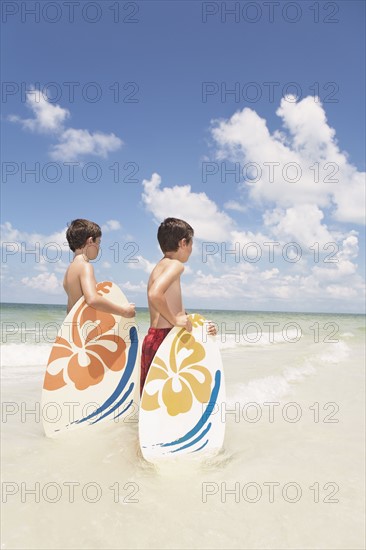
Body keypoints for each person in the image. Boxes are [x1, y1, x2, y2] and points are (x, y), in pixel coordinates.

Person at [140, 217, 217, 395]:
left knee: (151, 401)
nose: (191, 250)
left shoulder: (158, 267)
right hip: (166, 338)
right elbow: (155, 295)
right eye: (191, 244)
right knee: (171, 399)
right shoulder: (176, 266)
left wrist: (200, 326)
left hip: (152, 338)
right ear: (183, 243)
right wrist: (175, 320)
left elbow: (168, 304)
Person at [63, 218, 135, 318]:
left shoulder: (69, 270)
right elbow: (92, 299)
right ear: (90, 241)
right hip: (86, 329)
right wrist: (123, 311)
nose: (99, 247)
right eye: (98, 242)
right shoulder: (85, 266)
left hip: (74, 327)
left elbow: (72, 307)